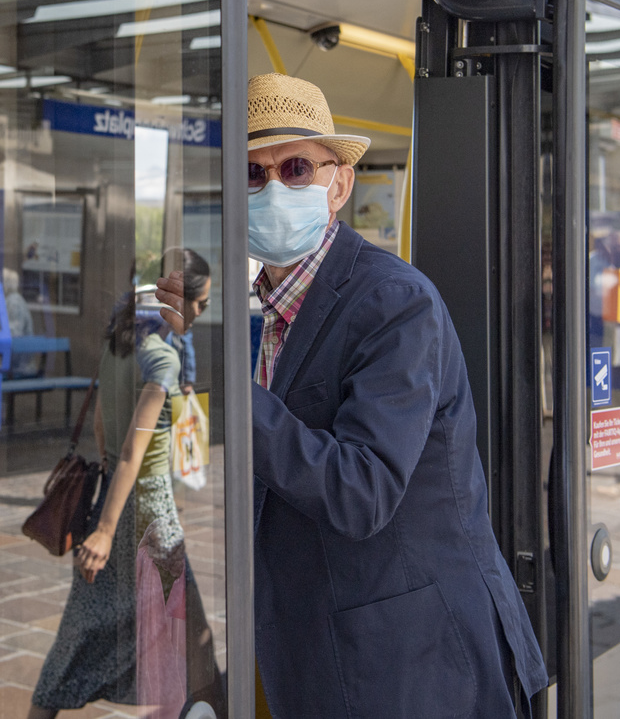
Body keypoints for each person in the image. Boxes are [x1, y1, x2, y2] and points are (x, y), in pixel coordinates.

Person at [155, 74, 548, 717]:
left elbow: (360, 491)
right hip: (336, 652)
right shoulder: (272, 308)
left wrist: (224, 370)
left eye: (296, 167)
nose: (273, 187)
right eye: (253, 174)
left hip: (415, 666)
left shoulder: (394, 302)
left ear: (339, 183)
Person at [30, 249, 224, 719]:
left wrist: (104, 523)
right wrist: (105, 530)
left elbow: (102, 431)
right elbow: (136, 454)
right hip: (150, 514)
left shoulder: (120, 343)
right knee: (195, 633)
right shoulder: (162, 361)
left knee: (80, 630)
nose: (201, 313)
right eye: (199, 303)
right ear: (176, 299)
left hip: (112, 511)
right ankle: (218, 708)